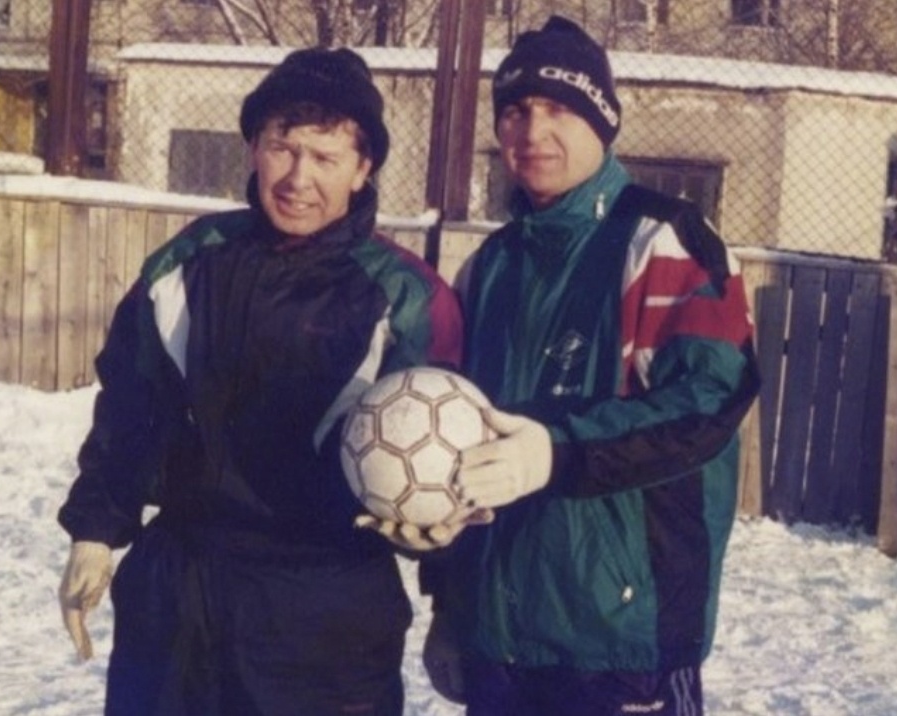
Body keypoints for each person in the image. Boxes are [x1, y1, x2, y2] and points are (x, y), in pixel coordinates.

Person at [56, 47, 463, 716]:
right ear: (253, 147)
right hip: (179, 593)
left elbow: (439, 443)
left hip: (323, 613)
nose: (298, 177)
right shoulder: (188, 262)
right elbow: (129, 406)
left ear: (363, 170)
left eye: (326, 158)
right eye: (283, 146)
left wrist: (438, 557)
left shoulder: (406, 296)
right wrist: (95, 531)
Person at [415, 15, 761, 716]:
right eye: (514, 110)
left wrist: (554, 452)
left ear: (602, 121)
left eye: (558, 109)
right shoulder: (489, 267)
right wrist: (446, 592)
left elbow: (706, 402)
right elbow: (452, 429)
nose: (531, 131)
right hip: (500, 639)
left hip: (618, 644)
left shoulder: (663, 240)